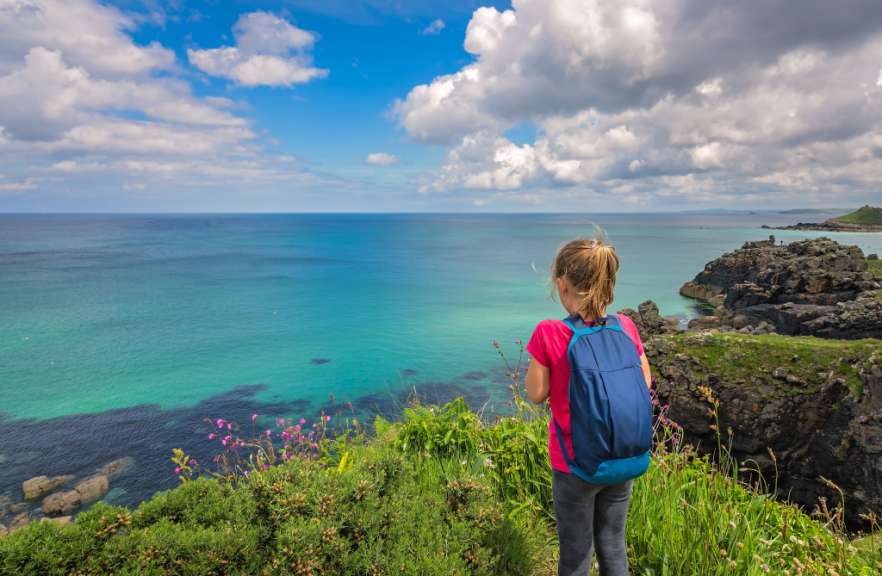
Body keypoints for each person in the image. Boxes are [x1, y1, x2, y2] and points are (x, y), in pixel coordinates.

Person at [525, 236, 652, 576]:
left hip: (574, 463)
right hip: (623, 456)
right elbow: (646, 382)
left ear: (561, 283)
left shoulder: (549, 332)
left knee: (576, 556)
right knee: (613, 544)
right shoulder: (625, 326)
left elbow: (536, 393)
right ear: (607, 282)